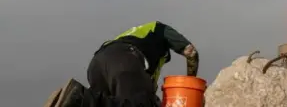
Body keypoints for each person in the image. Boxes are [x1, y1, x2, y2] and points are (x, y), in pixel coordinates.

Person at [45, 21, 200, 107]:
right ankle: (78, 98)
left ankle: (72, 101)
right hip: (125, 59)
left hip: (98, 64)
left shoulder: (135, 37)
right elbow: (190, 51)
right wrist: (191, 81)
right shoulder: (158, 29)